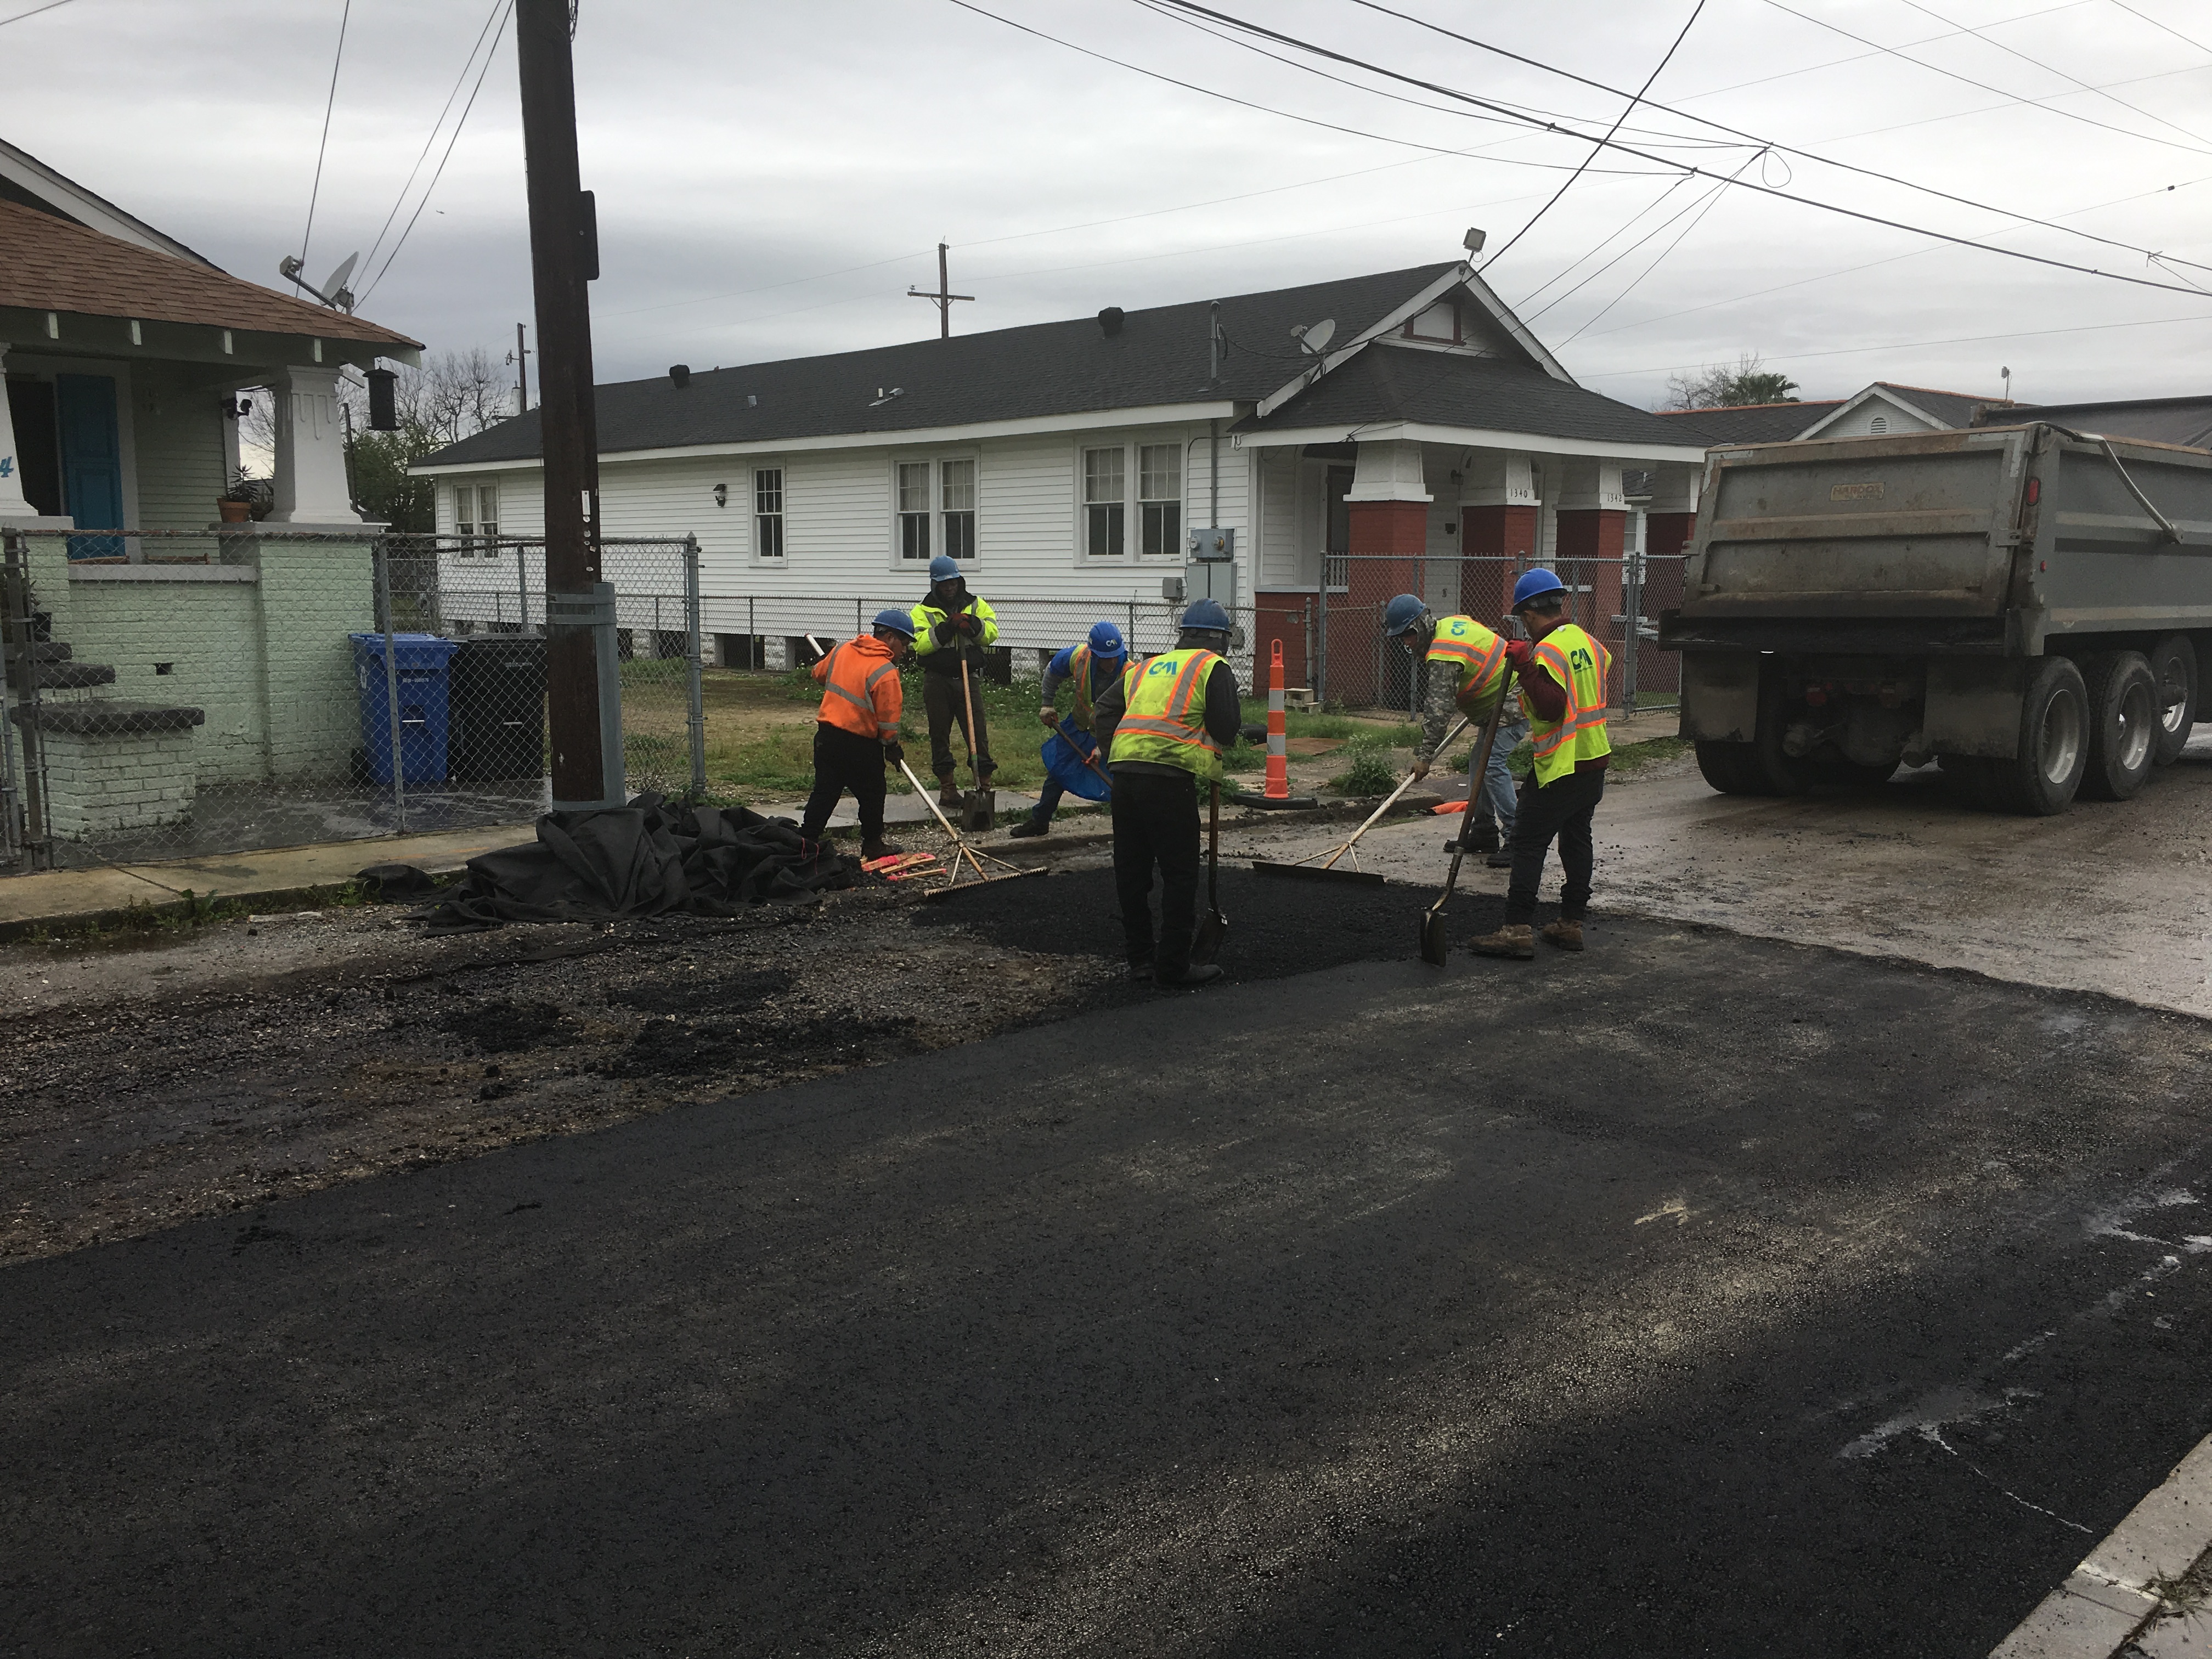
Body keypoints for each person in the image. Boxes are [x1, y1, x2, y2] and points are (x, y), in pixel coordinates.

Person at [1091, 599, 1244, 989]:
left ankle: (1141, 960)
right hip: (1169, 780)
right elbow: (1226, 730)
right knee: (1180, 873)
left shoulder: (1147, 666)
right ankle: (1175, 966)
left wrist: (1116, 754)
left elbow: (1104, 711)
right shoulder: (1213, 668)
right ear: (1221, 639)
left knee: (1133, 871)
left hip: (1126, 778)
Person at [1472, 569, 1612, 960]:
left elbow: (1552, 708)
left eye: (1524, 621)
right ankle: (1570, 924)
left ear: (1531, 614)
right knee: (1576, 837)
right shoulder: (1589, 642)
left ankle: (1516, 929)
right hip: (1594, 758)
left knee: (1528, 842)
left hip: (1562, 765)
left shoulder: (1548, 650)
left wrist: (1527, 668)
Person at [1382, 594, 1521, 869]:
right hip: (1498, 702)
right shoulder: (1452, 624)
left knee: (1491, 765)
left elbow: (1439, 709)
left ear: (1422, 624)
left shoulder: (1444, 655)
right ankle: (1484, 831)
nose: (1407, 642)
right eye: (1401, 638)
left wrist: (1425, 756)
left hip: (1513, 701)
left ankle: (1518, 837)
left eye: (1409, 634)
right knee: (1477, 764)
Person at [798, 609, 915, 862]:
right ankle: (872, 844)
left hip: (827, 737)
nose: (904, 652)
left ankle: (806, 843)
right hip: (860, 744)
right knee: (873, 794)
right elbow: (888, 719)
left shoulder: (842, 650)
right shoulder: (886, 672)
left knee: (825, 791)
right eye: (904, 644)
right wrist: (891, 745)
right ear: (891, 638)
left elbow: (818, 675)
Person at [1008, 620, 1128, 839]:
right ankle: (1040, 821)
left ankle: (1130, 830)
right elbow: (1053, 672)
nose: (1111, 662)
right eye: (1105, 657)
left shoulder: (1130, 673)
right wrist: (1047, 704)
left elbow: (1129, 716)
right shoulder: (1078, 657)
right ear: (1094, 653)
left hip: (1112, 732)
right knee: (1058, 771)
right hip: (1079, 725)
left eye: (1114, 655)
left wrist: (1104, 746)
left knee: (1120, 781)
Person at [909, 553, 1001, 809]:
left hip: (967, 678)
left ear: (960, 581)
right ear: (934, 585)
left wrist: (972, 624)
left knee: (978, 733)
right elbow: (920, 644)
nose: (950, 588)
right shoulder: (922, 611)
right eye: (944, 584)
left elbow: (991, 633)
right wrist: (946, 628)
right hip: (937, 681)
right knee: (939, 734)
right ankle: (947, 789)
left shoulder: (975, 605)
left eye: (953, 583)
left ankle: (983, 787)